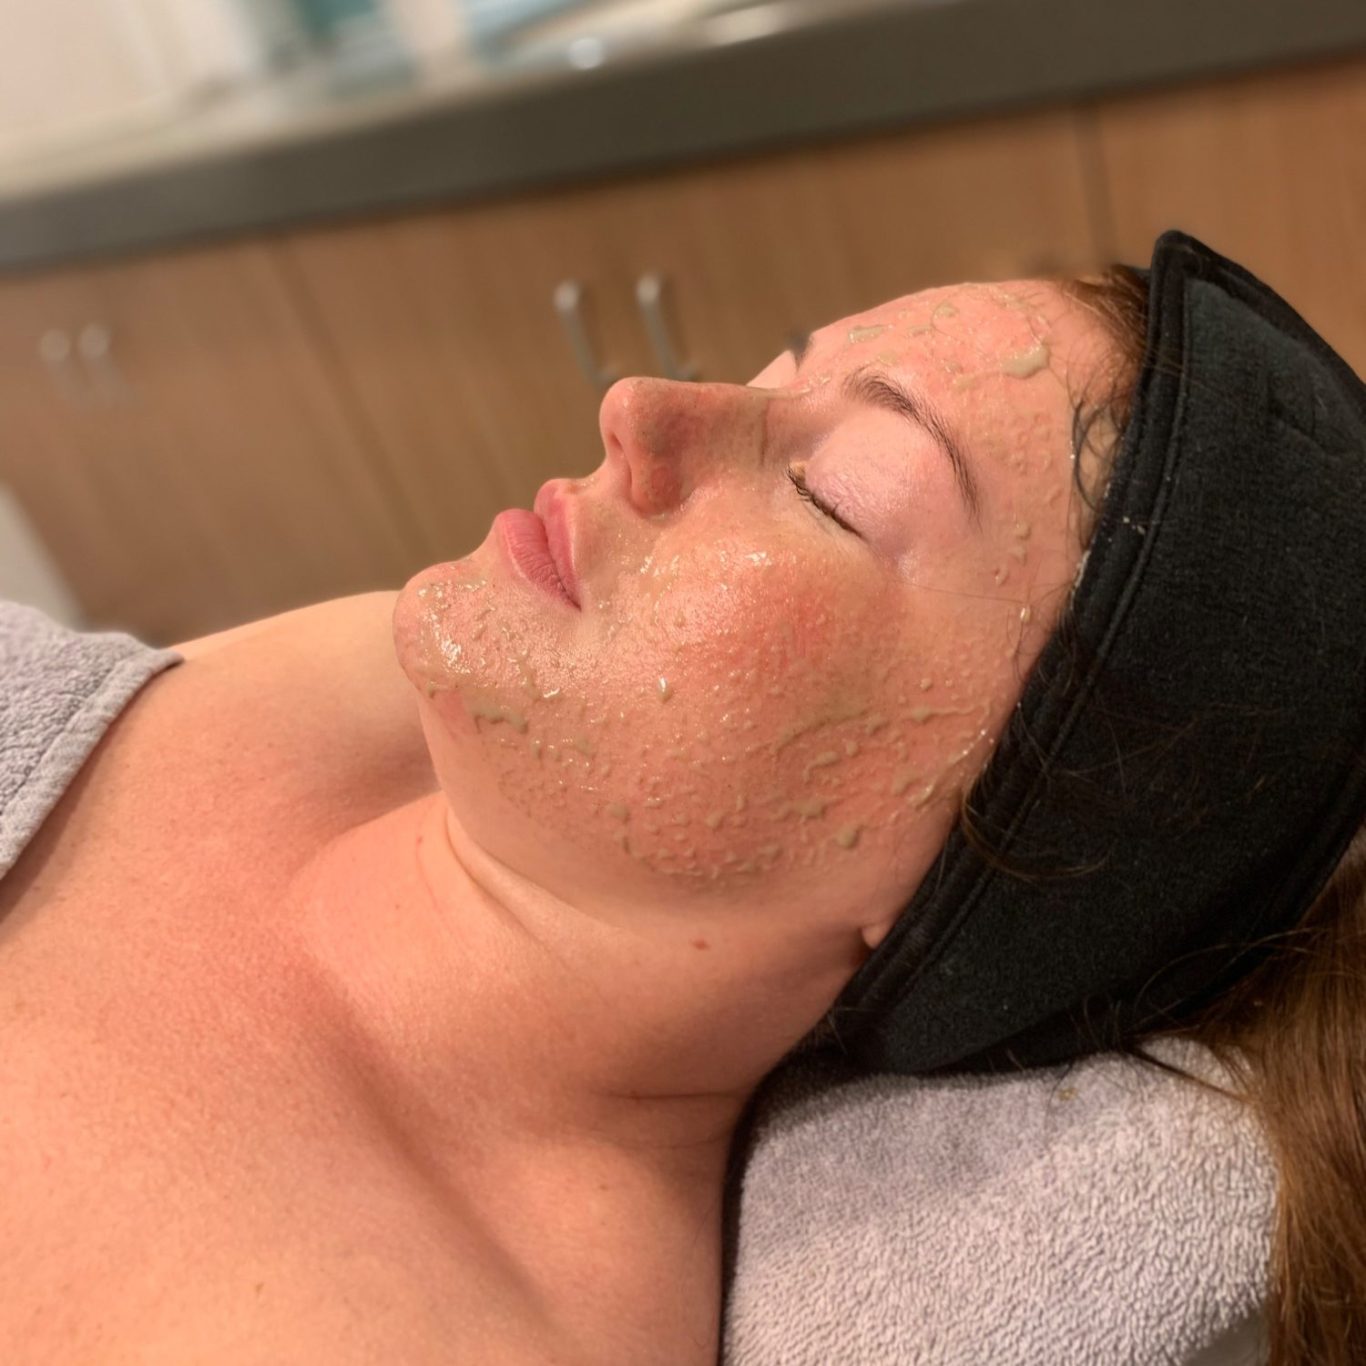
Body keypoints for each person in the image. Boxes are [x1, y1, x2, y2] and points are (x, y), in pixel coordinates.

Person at [0, 230, 1360, 1365]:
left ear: (962, 889)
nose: (640, 406)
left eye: (834, 495)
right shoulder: (375, 682)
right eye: (779, 372)